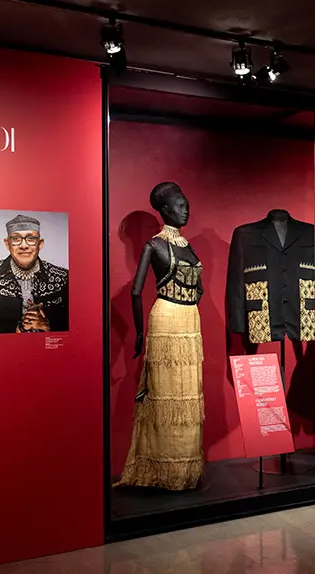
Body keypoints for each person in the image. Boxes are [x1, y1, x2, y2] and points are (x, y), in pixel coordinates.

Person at [116, 182, 205, 491]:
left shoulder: (187, 245)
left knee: (188, 391)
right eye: (180, 205)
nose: (186, 209)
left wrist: (192, 304)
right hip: (167, 318)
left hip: (190, 321)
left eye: (187, 204)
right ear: (165, 209)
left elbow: (199, 287)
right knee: (164, 391)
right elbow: (136, 291)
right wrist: (140, 332)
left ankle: (185, 469)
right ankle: (163, 469)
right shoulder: (153, 246)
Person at [0, 214, 69, 334]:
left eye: (31, 239)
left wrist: (48, 326)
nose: (24, 245)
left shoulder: (63, 278)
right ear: (7, 244)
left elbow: (75, 325)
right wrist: (18, 329)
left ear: (40, 244)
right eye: (16, 239)